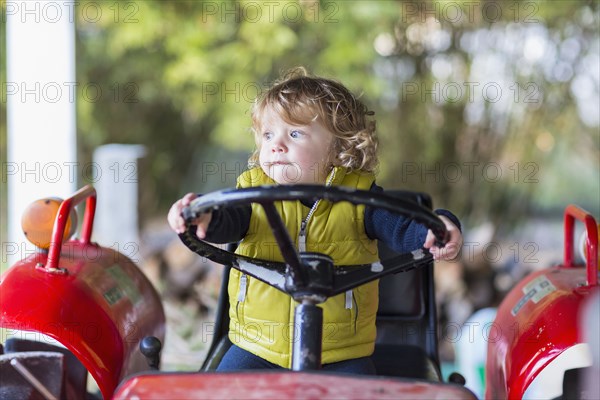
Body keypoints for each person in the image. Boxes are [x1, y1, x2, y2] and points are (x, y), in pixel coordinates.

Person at [168, 67, 463, 374]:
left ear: (339, 147)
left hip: (340, 353)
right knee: (218, 392)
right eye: (268, 134)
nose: (275, 145)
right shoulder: (251, 194)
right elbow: (226, 221)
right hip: (256, 345)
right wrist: (203, 216)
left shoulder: (361, 199)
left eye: (295, 133)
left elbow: (405, 228)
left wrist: (436, 227)